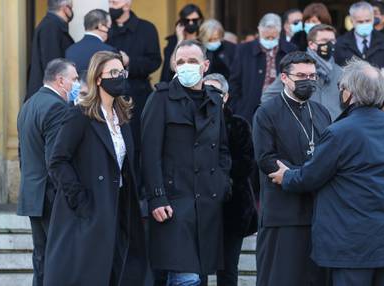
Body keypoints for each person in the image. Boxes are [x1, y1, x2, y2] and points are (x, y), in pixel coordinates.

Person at [269, 59, 384, 286]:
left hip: (350, 245)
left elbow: (311, 176)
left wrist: (286, 176)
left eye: (341, 88)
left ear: (349, 93)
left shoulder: (339, 132)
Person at [44, 51, 146, 286]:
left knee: (119, 271)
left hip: (119, 206)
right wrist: (80, 199)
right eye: (113, 73)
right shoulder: (80, 115)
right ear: (98, 78)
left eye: (122, 72)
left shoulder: (122, 117)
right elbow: (57, 160)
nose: (120, 77)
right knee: (89, 273)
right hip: (89, 210)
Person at [141, 40, 231, 286]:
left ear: (205, 65)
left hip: (207, 202)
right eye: (181, 62)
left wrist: (221, 183)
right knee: (186, 276)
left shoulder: (214, 101)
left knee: (197, 276)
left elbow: (223, 149)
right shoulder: (160, 99)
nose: (186, 66)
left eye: (192, 61)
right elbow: (149, 154)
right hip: (174, 202)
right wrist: (156, 197)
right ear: (173, 66)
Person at [252, 51, 331, 286]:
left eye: (312, 75)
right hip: (282, 213)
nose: (308, 80)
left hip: (317, 212)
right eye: (301, 76)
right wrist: (308, 175)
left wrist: (305, 176)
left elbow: (329, 156)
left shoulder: (321, 112)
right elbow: (267, 160)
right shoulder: (266, 112)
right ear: (284, 78)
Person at [17, 58, 78, 286]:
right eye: (74, 79)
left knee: (42, 258)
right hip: (51, 196)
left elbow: (24, 154)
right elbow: (55, 159)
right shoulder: (57, 107)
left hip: (34, 193)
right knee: (58, 259)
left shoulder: (29, 104)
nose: (76, 84)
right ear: (61, 81)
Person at [204, 73, 257, 286]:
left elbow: (246, 164)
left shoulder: (239, 125)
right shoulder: (189, 123)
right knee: (198, 270)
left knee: (227, 270)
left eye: (215, 92)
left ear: (225, 96)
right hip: (201, 208)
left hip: (233, 208)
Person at [106, 0, 162, 166]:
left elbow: (155, 61)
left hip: (138, 96)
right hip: (110, 96)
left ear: (127, 5)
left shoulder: (147, 29)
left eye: (114, 2)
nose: (110, 6)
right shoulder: (106, 28)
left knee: (137, 146)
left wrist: (130, 61)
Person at [263, 24, 343, 120]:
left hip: (333, 131)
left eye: (332, 41)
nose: (329, 44)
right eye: (324, 41)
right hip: (304, 129)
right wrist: (290, 118)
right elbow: (267, 97)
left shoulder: (340, 72)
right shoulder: (296, 67)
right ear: (311, 44)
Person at [229, 13, 297, 124]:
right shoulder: (243, 50)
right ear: (259, 30)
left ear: (279, 32)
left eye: (273, 37)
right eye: (266, 37)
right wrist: (238, 108)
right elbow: (234, 83)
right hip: (248, 111)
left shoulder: (290, 50)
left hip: (283, 109)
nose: (270, 40)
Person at [26, 0, 75, 101]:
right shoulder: (50, 27)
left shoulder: (51, 25)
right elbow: (53, 66)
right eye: (71, 7)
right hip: (49, 97)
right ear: (65, 8)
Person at [334, 1, 384, 68]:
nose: (364, 24)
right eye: (360, 22)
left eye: (367, 21)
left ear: (373, 19)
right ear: (352, 21)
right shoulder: (340, 43)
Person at [160, 4, 204, 82]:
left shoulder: (204, 40)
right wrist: (180, 39)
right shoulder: (173, 41)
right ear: (182, 22)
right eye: (187, 20)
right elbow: (173, 67)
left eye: (194, 20)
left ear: (200, 20)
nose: (191, 23)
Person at [65, 9, 115, 74]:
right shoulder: (109, 51)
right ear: (100, 26)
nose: (110, 29)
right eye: (109, 26)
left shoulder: (70, 50)